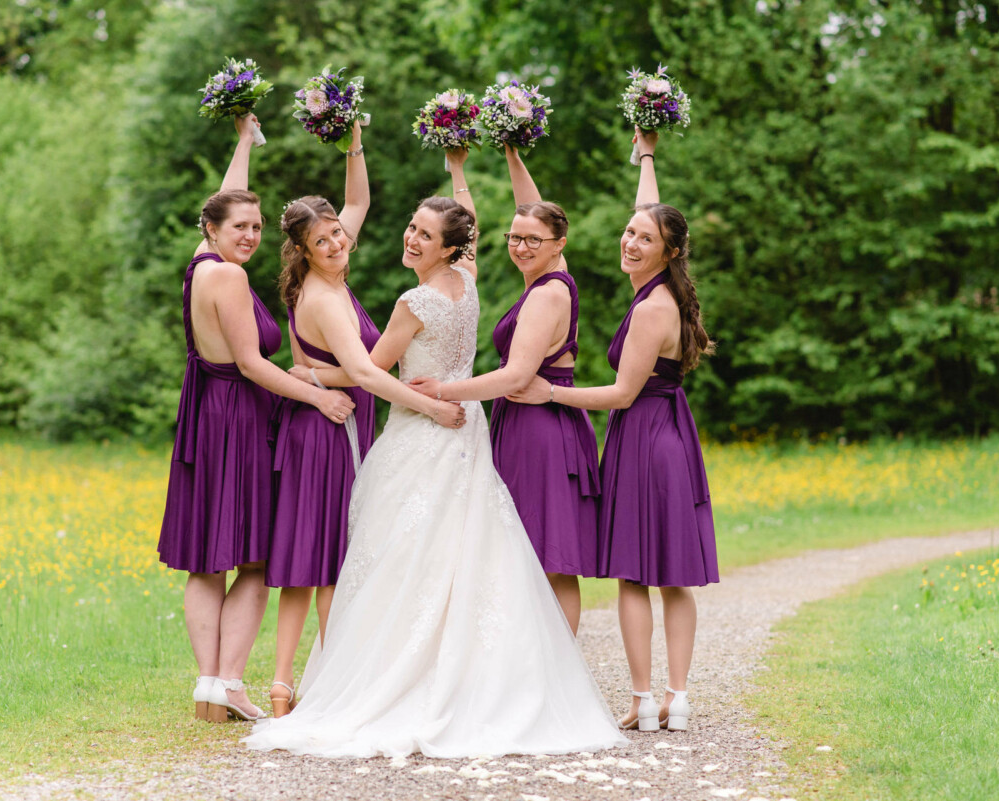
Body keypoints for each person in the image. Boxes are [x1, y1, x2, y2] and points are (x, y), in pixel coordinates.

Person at [245, 150, 626, 757]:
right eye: (412, 227)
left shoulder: (413, 303)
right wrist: (459, 172)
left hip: (424, 430)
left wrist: (313, 374)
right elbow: (467, 226)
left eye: (425, 233)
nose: (411, 237)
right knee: (467, 549)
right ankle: (469, 674)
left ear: (448, 248)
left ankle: (403, 677)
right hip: (467, 428)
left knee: (407, 553)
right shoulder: (466, 282)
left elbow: (370, 372)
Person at [509, 129, 717, 732]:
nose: (630, 240)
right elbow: (648, 207)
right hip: (666, 434)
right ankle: (676, 698)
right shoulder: (662, 290)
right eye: (629, 232)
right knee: (673, 575)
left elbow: (622, 394)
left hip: (646, 437)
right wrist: (646, 153)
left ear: (668, 251)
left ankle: (646, 699)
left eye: (644, 238)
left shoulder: (653, 309)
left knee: (636, 573)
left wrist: (551, 393)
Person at [156, 114, 357, 723]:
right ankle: (230, 681)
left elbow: (225, 198)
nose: (251, 234)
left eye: (258, 226)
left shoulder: (200, 264)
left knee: (205, 559)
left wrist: (244, 141)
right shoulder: (230, 276)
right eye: (239, 227)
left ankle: (209, 687)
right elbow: (251, 363)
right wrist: (318, 397)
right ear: (212, 230)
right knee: (254, 558)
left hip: (202, 416)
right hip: (238, 420)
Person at [266, 122, 466, 718]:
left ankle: (293, 681)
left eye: (336, 234)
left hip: (333, 419)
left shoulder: (328, 266)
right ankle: (317, 684)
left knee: (319, 556)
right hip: (330, 430)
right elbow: (364, 373)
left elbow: (358, 200)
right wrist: (431, 405)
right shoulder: (325, 298)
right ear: (302, 250)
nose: (337, 244)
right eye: (322, 240)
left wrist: (352, 140)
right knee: (327, 559)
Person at [409, 145, 599, 634]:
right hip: (525, 423)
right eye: (514, 237)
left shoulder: (549, 293)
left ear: (559, 243)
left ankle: (557, 667)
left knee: (546, 557)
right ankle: (539, 662)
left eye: (533, 240)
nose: (521, 246)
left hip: (541, 431)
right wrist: (507, 154)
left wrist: (445, 390)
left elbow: (516, 377)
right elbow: (529, 210)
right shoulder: (551, 276)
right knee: (526, 554)